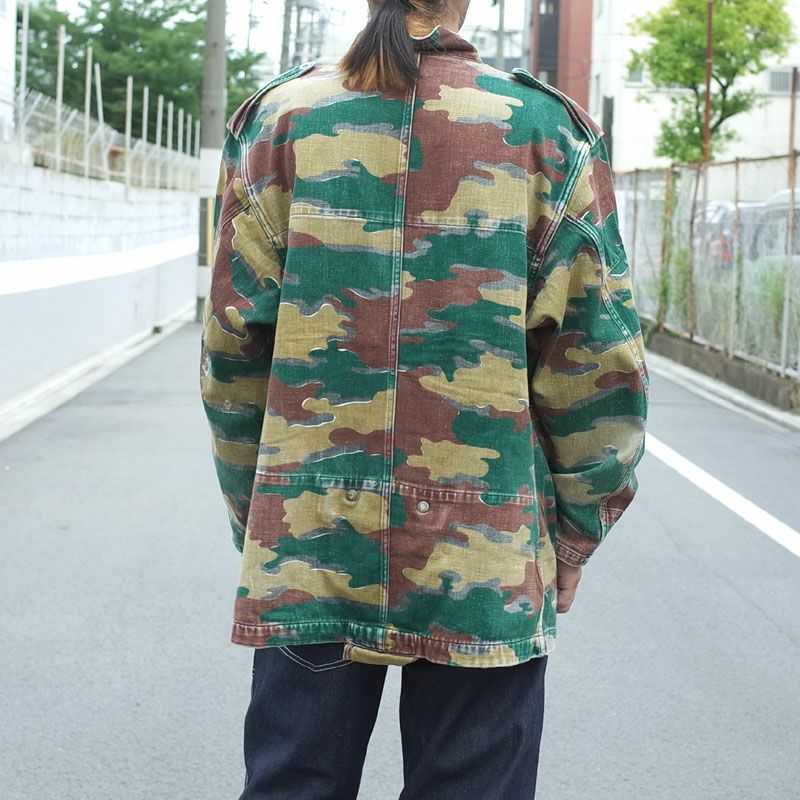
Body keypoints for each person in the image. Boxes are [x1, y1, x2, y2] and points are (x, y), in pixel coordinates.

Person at [200, 0, 649, 797]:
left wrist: (260, 517)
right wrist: (576, 535)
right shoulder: (545, 131)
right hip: (486, 552)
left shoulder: (277, 121)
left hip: (310, 537)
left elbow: (233, 351)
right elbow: (598, 362)